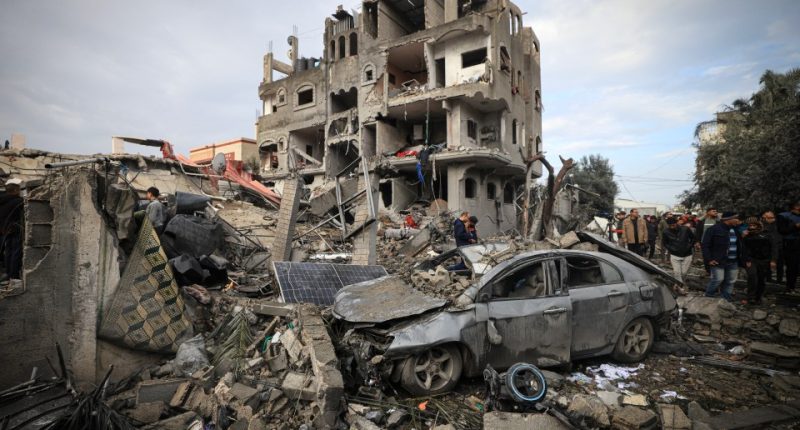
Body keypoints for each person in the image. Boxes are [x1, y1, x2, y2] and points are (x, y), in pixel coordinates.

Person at [702, 211, 751, 300]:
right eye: (736, 218)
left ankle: (725, 299)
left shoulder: (735, 230)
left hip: (733, 261)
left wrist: (745, 259)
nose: (738, 220)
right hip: (718, 261)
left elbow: (741, 245)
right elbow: (705, 245)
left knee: (730, 281)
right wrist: (709, 259)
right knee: (717, 280)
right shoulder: (713, 229)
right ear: (728, 219)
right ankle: (708, 297)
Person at [742, 217, 772, 304]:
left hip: (763, 260)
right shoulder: (746, 235)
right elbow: (743, 248)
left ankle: (758, 297)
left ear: (758, 225)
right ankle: (750, 297)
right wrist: (747, 259)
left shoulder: (765, 234)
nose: (751, 227)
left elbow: (771, 247)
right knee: (752, 276)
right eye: (750, 225)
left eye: (753, 225)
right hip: (751, 259)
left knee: (761, 279)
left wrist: (771, 259)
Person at [0, 178, 24, 283]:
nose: (20, 192)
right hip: (15, 229)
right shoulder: (18, 201)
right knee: (16, 252)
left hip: (4, 230)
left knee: (8, 251)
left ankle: (8, 273)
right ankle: (13, 275)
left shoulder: (2, 201)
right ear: (15, 190)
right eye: (19, 190)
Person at [662, 217, 695, 283]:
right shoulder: (665, 232)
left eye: (673, 225)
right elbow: (665, 243)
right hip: (674, 255)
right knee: (677, 273)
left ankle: (680, 284)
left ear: (676, 223)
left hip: (687, 254)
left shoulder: (685, 229)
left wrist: (689, 246)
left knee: (684, 273)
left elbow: (693, 238)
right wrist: (671, 249)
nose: (672, 226)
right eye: (670, 225)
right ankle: (680, 287)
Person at [777, 201, 800, 292]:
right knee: (792, 266)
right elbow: (782, 230)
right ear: (796, 206)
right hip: (791, 244)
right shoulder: (783, 216)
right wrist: (795, 226)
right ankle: (790, 287)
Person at [762, 210, 784, 283]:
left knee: (779, 264)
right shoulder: (762, 225)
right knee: (767, 264)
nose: (766, 219)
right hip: (767, 247)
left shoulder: (778, 225)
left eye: (770, 217)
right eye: (765, 217)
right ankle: (768, 278)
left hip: (779, 246)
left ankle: (779, 280)